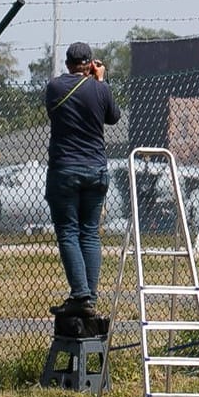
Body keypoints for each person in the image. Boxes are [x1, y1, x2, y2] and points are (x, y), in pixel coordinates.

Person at [43, 42, 121, 317]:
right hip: (96, 169)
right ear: (90, 64)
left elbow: (54, 113)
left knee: (68, 231)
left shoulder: (54, 87)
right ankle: (90, 296)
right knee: (89, 232)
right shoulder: (101, 88)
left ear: (67, 64)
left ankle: (80, 295)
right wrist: (101, 81)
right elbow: (113, 117)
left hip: (64, 168)